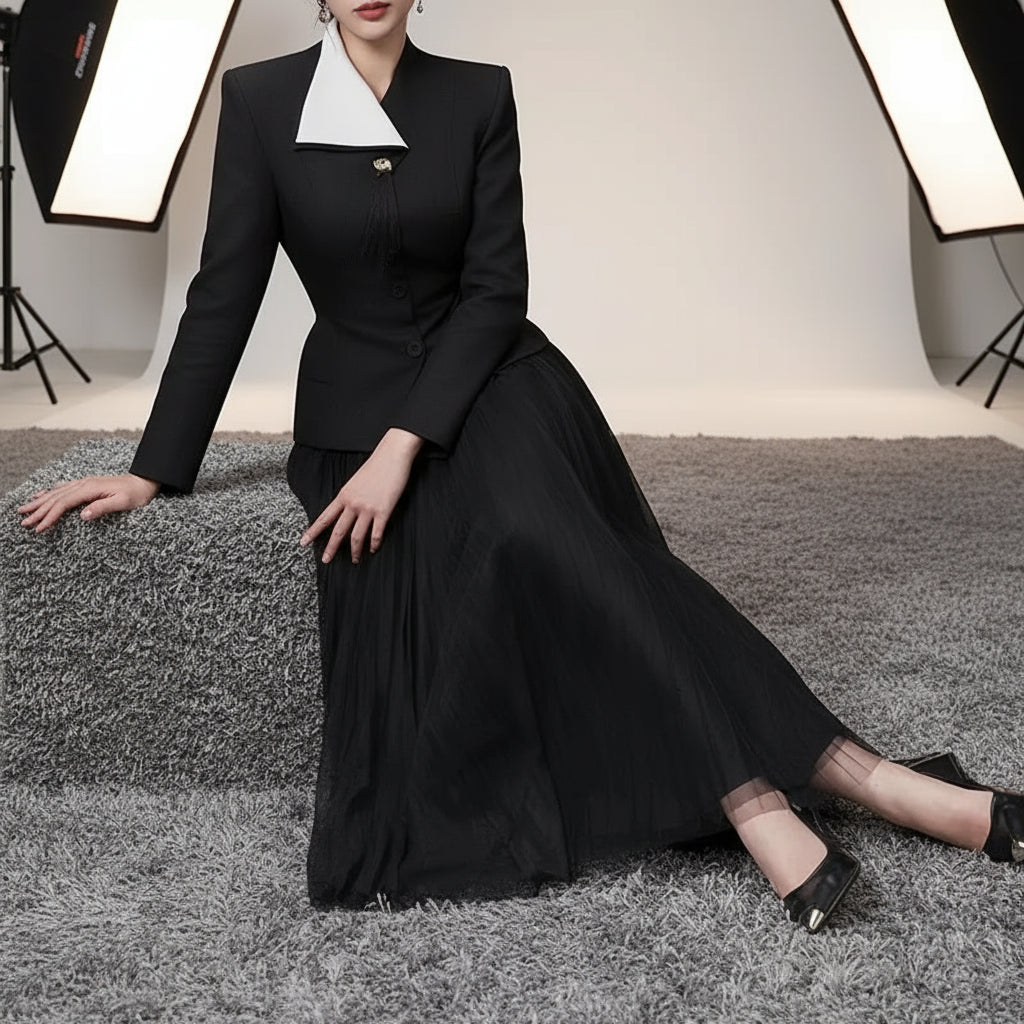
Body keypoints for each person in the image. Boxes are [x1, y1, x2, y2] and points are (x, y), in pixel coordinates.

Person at [15, 0, 1023, 932]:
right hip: (348, 421)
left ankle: (788, 802)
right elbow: (223, 291)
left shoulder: (477, 92)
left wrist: (405, 448)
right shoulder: (262, 100)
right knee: (520, 549)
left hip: (497, 384)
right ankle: (861, 785)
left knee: (553, 537)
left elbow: (496, 290)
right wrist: (155, 468)